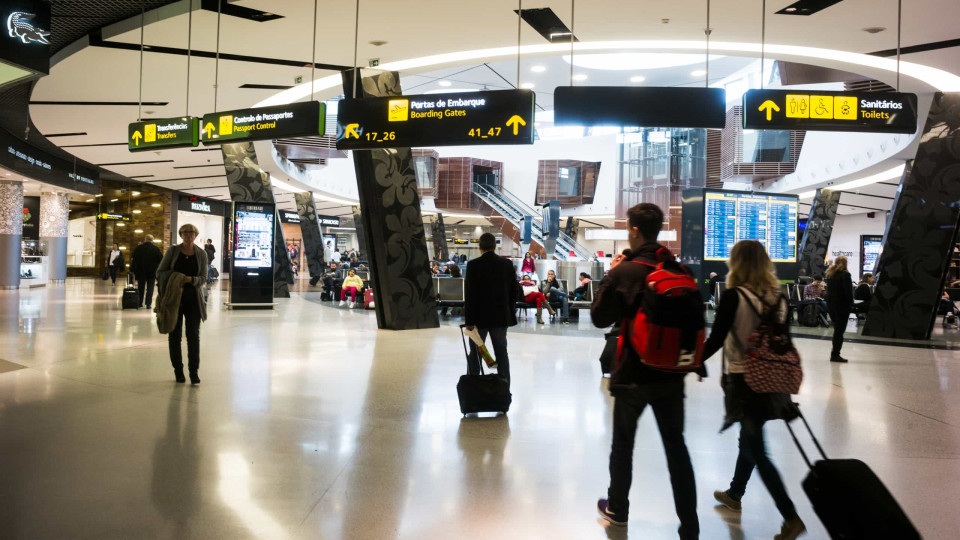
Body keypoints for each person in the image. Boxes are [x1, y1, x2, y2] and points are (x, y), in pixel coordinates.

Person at [592, 203, 699, 539]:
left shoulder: (626, 271)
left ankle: (618, 512)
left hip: (633, 373)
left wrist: (613, 275)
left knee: (623, 445)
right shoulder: (678, 269)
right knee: (676, 449)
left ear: (634, 230)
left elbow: (599, 318)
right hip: (670, 374)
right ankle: (690, 526)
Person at [701, 240, 806, 540]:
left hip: (744, 379)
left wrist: (691, 363)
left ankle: (790, 516)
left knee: (757, 448)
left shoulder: (734, 296)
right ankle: (735, 494)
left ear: (737, 263)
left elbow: (717, 339)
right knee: (750, 436)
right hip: (773, 380)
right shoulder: (779, 296)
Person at [157, 224, 208, 385]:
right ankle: (178, 371)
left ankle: (194, 372)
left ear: (195, 234)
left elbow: (203, 278)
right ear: (181, 235)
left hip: (193, 299)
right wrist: (177, 277)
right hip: (174, 299)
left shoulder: (201, 254)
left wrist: (191, 280)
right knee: (175, 336)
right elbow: (160, 272)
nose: (188, 235)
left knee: (193, 336)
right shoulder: (173, 252)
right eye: (185, 232)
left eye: (191, 232)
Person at [464, 232, 518, 383]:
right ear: (495, 246)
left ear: (479, 247)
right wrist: (509, 310)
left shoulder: (473, 265)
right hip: (501, 317)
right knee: (501, 352)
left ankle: (473, 387)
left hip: (478, 318)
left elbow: (470, 295)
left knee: (475, 352)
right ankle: (504, 389)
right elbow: (514, 291)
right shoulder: (506, 264)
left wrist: (469, 320)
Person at [825, 256, 854, 363]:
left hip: (831, 305)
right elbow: (848, 292)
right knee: (839, 331)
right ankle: (835, 354)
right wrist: (851, 304)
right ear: (845, 263)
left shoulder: (830, 274)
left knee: (837, 329)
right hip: (842, 305)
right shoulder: (846, 274)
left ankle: (835, 353)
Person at [131, 235, 163, 309]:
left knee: (140, 287)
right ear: (152, 240)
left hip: (140, 271)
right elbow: (161, 260)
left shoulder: (139, 248)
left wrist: (134, 270)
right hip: (152, 272)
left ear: (145, 239)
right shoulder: (155, 249)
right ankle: (148, 304)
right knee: (150, 288)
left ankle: (139, 303)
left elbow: (134, 260)